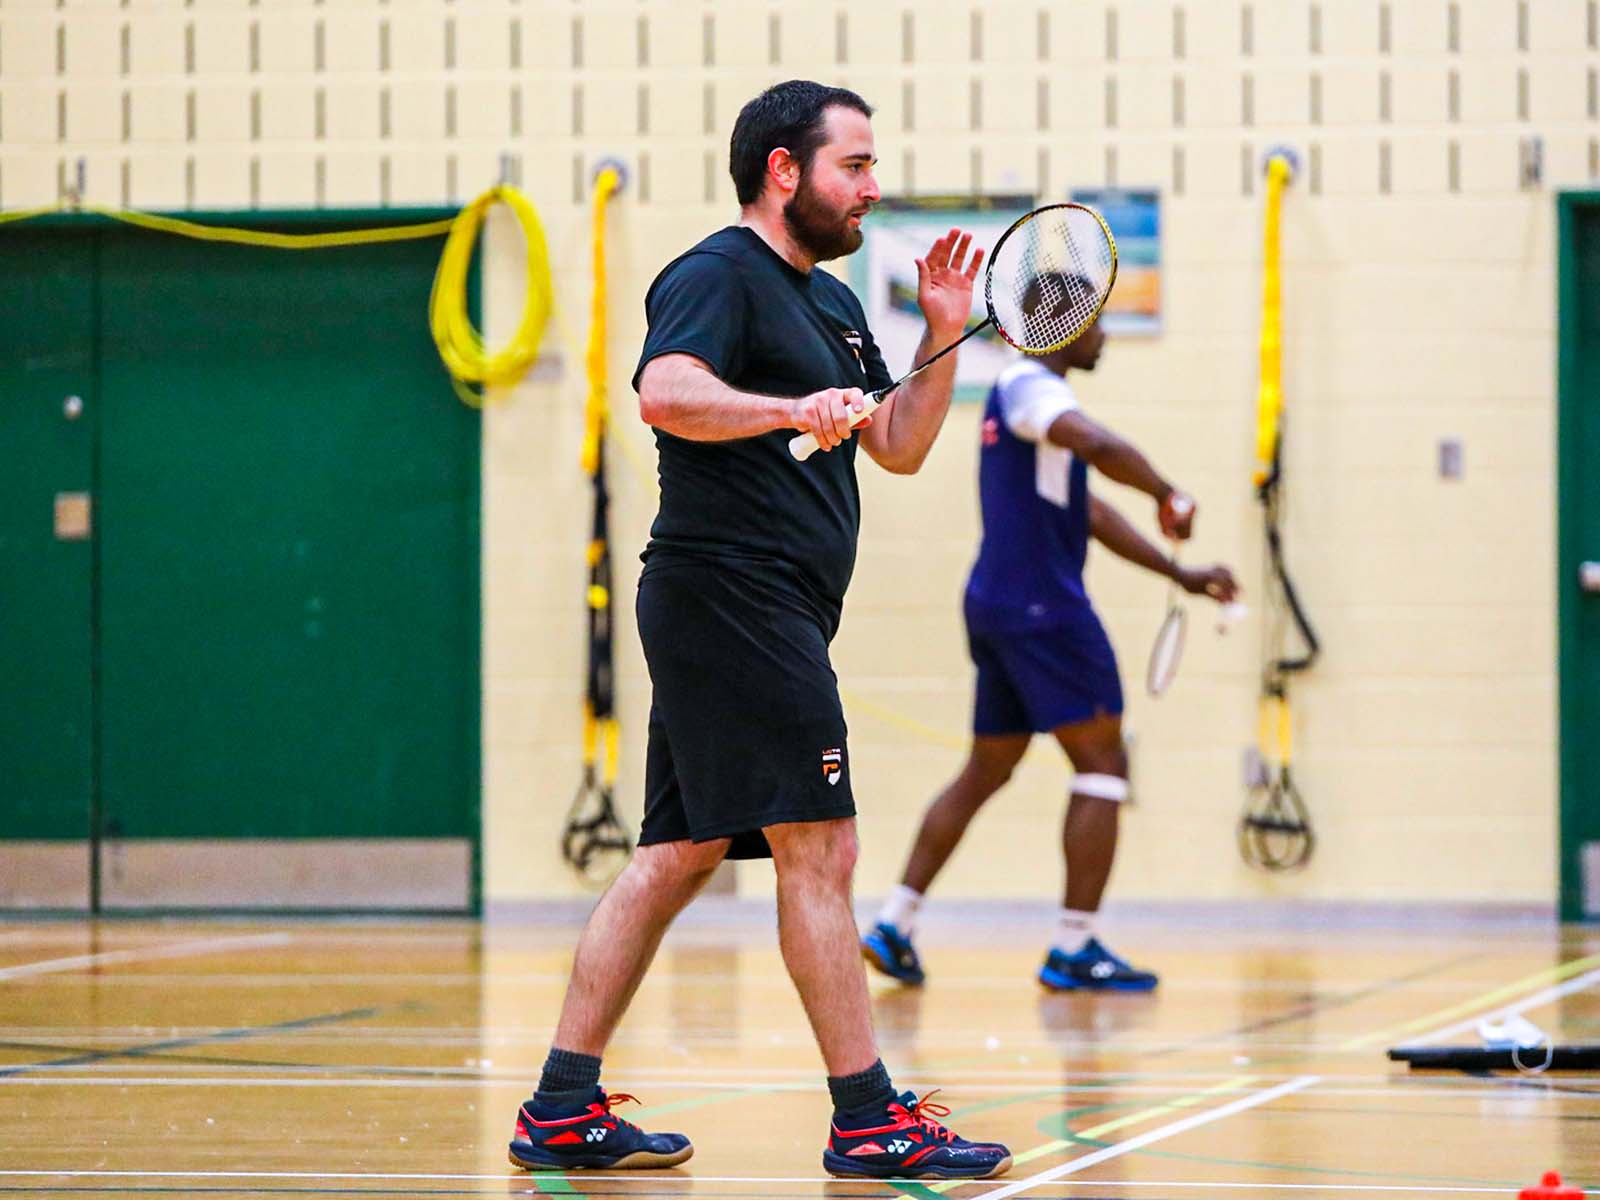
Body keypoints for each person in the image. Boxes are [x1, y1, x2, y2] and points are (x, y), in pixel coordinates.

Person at [506, 80, 1012, 1181]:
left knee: (674, 856)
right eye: (854, 165)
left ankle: (560, 1109)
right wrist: (788, 409)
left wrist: (938, 337)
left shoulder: (828, 305)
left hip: (754, 606)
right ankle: (868, 1118)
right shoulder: (714, 275)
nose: (872, 188)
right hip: (730, 592)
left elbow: (899, 447)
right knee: (818, 844)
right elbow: (665, 391)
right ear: (785, 171)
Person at [862, 280, 1240, 994]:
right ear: (1063, 330)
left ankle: (895, 923)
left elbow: (1087, 509)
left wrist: (1177, 574)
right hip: (1044, 609)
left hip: (997, 606)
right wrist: (1168, 493)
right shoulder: (1032, 387)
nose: (1103, 335)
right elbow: (1093, 443)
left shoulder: (1027, 402)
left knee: (987, 770)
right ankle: (1076, 945)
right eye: (1095, 322)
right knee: (1102, 764)